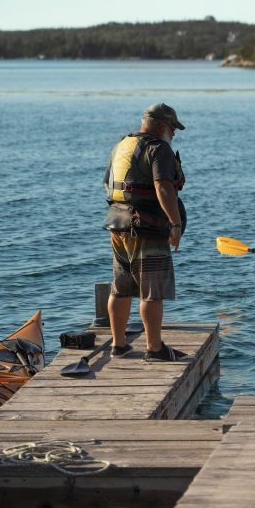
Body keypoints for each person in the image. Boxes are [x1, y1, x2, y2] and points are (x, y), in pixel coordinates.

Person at [102, 102, 188, 362]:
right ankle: (154, 348)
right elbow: (163, 187)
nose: (173, 133)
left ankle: (118, 345)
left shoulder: (122, 144)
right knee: (152, 291)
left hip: (117, 224)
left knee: (121, 287)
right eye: (172, 128)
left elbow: (107, 183)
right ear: (161, 125)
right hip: (146, 228)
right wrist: (174, 224)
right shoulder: (158, 149)